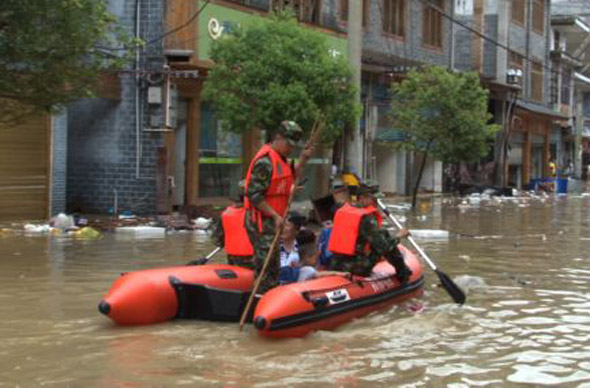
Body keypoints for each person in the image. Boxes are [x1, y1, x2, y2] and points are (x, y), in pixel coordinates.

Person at [244, 120, 313, 293]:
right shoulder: (265, 162)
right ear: (278, 137)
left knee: (274, 264)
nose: (290, 148)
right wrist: (275, 216)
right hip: (262, 221)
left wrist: (303, 159)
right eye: (288, 144)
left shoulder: (281, 159)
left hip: (275, 220)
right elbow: (254, 195)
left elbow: (289, 176)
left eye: (293, 146)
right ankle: (260, 299)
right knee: (267, 265)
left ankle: (270, 295)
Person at [327, 181, 413, 284]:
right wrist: (399, 236)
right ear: (362, 198)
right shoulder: (367, 218)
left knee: (382, 235)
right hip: (355, 268)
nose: (377, 203)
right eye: (374, 199)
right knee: (387, 238)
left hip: (335, 264)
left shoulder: (343, 210)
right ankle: (403, 274)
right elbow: (383, 246)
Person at [211, 180, 255, 269]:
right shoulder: (257, 214)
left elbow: (217, 240)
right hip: (255, 260)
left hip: (233, 260)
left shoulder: (226, 213)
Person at [278, 212, 317, 284]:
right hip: (276, 279)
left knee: (309, 270)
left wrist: (298, 265)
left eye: (287, 226)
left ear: (296, 230)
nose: (283, 229)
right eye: (282, 225)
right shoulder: (274, 245)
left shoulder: (301, 243)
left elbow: (309, 262)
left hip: (294, 281)